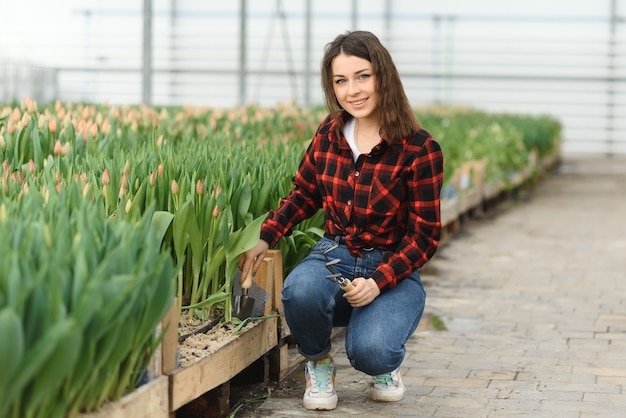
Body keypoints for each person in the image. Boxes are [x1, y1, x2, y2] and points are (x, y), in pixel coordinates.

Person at [238, 30, 444, 411]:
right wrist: (267, 236)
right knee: (300, 291)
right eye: (341, 80)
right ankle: (318, 363)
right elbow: (304, 193)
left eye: (363, 76)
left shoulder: (419, 148)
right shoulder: (329, 133)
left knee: (370, 352)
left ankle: (384, 363)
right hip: (335, 255)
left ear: (383, 75)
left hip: (391, 267)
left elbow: (425, 237)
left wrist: (378, 281)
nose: (353, 90)